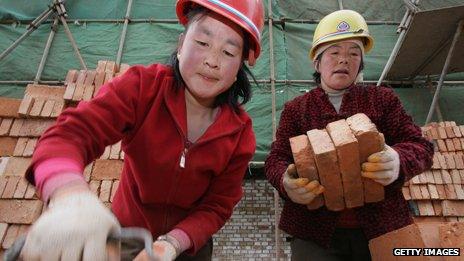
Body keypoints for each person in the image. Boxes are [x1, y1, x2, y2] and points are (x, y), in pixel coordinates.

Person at [21, 0, 264, 260]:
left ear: (240, 65)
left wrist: (171, 244)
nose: (212, 61)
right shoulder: (142, 89)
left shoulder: (239, 135)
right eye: (202, 43)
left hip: (188, 249)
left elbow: (217, 205)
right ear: (181, 44)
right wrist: (69, 196)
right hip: (124, 239)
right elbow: (70, 135)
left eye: (228, 52)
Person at [264, 9, 434, 260]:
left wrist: (397, 161)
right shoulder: (297, 109)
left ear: (360, 65)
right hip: (314, 233)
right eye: (334, 53)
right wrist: (286, 183)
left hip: (381, 228)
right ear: (317, 62)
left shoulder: (382, 100)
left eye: (353, 54)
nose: (344, 60)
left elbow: (421, 146)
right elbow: (276, 159)